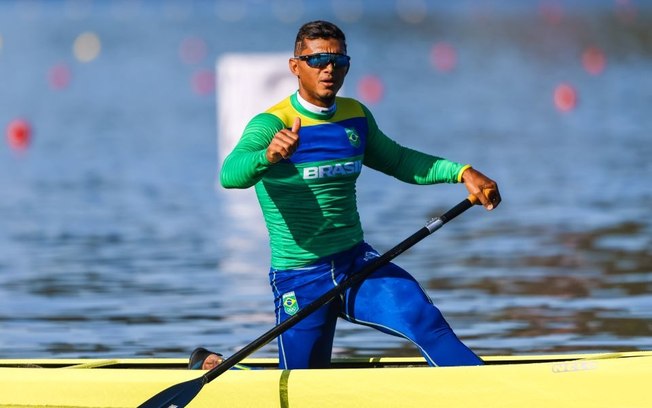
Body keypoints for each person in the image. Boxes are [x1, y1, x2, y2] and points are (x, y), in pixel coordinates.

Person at [219, 20, 501, 369]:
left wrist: (461, 172)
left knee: (423, 318)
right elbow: (229, 174)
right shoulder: (271, 124)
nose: (328, 69)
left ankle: (479, 389)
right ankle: (218, 367)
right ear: (295, 66)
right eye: (317, 60)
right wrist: (268, 156)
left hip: (356, 264)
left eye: (338, 62)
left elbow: (399, 160)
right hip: (301, 277)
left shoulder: (355, 117)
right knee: (304, 384)